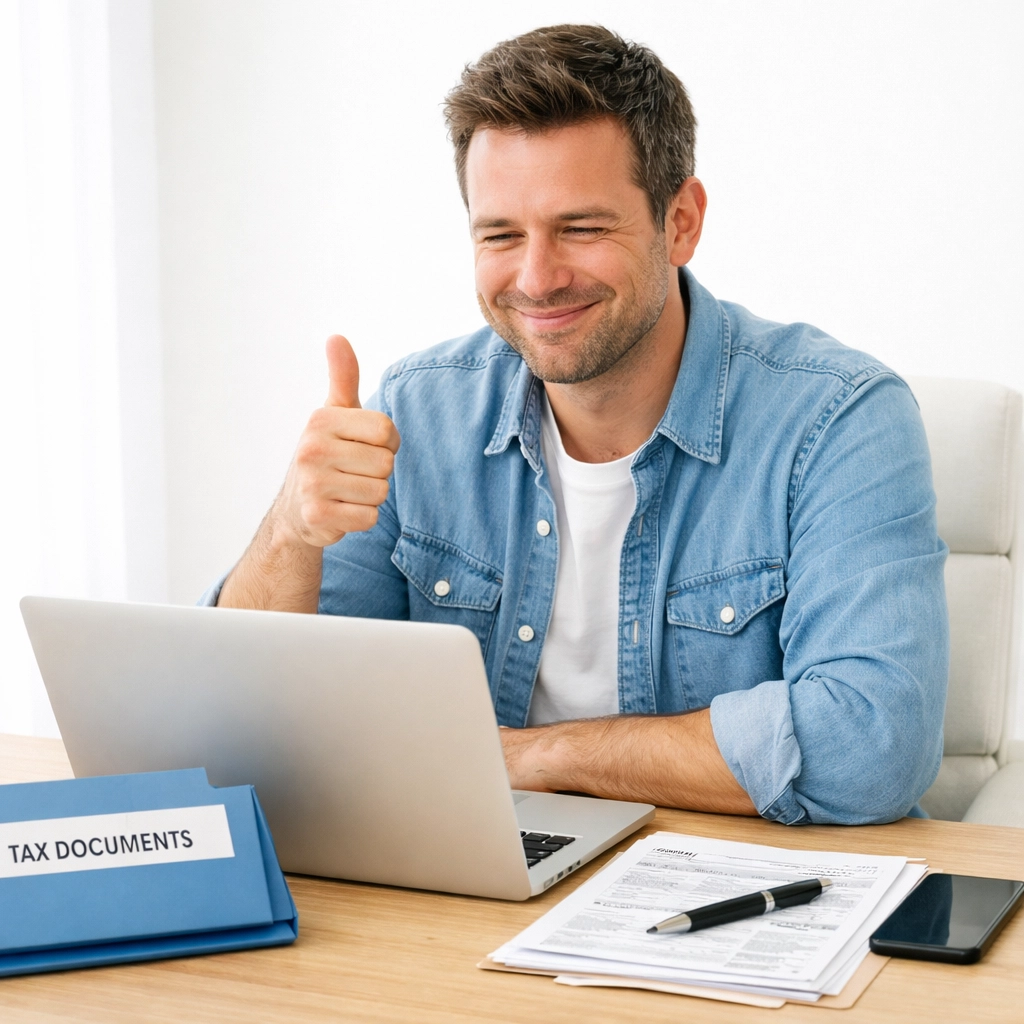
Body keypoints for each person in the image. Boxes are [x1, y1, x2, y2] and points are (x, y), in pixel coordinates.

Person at [205, 24, 948, 825]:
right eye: (500, 235)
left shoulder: (838, 421)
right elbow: (247, 737)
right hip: (468, 880)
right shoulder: (413, 412)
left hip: (736, 896)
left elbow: (873, 746)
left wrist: (541, 756)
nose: (536, 278)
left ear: (681, 221)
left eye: (581, 228)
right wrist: (289, 529)